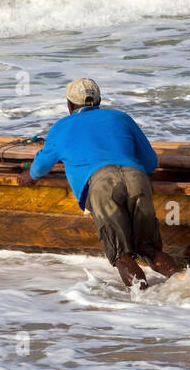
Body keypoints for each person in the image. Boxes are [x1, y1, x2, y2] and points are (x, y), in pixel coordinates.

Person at [18, 78, 179, 288]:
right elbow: (150, 162)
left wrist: (28, 177)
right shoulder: (121, 118)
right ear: (99, 101)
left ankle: (144, 299)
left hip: (102, 185)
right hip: (137, 177)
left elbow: (41, 166)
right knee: (150, 250)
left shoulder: (61, 127)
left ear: (69, 105)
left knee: (121, 255)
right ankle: (187, 283)